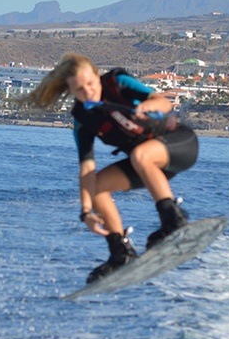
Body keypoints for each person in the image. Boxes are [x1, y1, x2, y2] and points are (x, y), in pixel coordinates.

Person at [23, 53, 198, 284]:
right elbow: (86, 170)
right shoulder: (83, 119)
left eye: (90, 84)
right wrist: (86, 212)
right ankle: (120, 253)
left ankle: (173, 221)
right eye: (79, 90)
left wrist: (146, 106)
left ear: (97, 76)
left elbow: (163, 103)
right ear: (71, 92)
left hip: (178, 146)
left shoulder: (118, 81)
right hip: (146, 165)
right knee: (97, 186)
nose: (88, 92)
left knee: (140, 154)